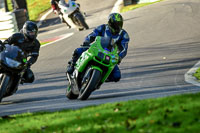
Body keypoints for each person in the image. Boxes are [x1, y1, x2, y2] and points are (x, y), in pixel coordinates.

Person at [67, 13, 130, 82]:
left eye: (119, 24)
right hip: (96, 49)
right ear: (110, 23)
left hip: (110, 56)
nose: (117, 27)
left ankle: (98, 79)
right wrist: (87, 42)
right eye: (115, 24)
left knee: (117, 76)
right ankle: (72, 66)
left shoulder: (124, 35)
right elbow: (91, 35)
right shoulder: (102, 28)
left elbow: (124, 49)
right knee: (78, 51)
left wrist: (119, 57)